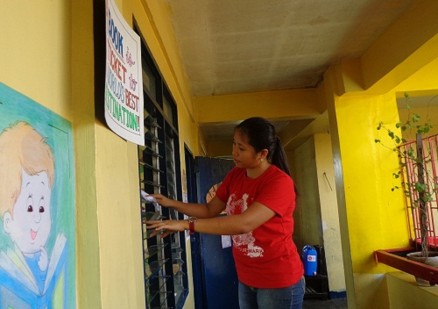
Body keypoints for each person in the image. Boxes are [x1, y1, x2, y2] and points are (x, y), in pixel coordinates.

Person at [147, 117, 305, 309]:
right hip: (247, 276)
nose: (234, 152)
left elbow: (243, 224)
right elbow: (209, 210)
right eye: (234, 144)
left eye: (241, 148)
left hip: (279, 279)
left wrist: (185, 225)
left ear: (262, 153)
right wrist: (170, 203)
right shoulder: (236, 175)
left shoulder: (279, 183)